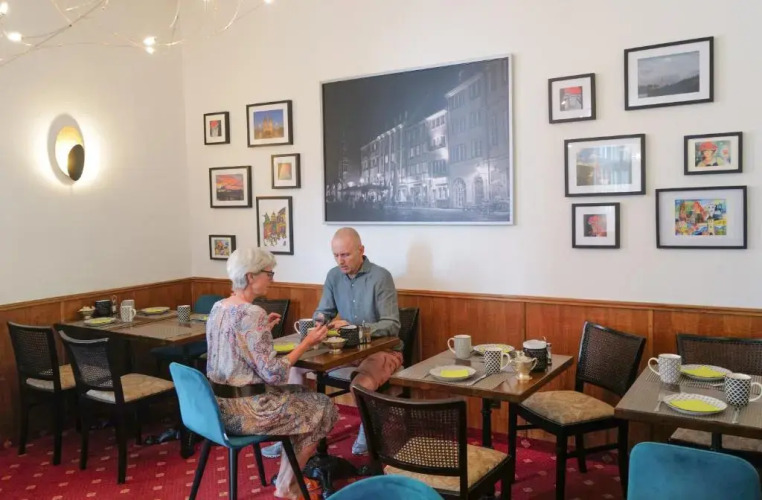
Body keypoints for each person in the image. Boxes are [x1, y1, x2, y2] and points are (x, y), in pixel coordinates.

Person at [205, 247, 337, 499]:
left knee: (303, 395)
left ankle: (291, 480)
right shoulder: (252, 313)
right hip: (248, 411)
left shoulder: (218, 307)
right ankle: (287, 485)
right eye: (269, 273)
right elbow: (274, 375)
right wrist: (306, 343)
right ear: (250, 276)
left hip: (217, 407)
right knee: (323, 406)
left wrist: (263, 330)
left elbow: (235, 347)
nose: (272, 279)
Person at [262, 228, 401, 458]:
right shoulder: (333, 276)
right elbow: (323, 311)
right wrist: (319, 322)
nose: (340, 261)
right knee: (294, 370)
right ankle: (293, 434)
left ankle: (369, 432)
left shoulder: (381, 277)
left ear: (361, 250)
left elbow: (392, 325)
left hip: (383, 351)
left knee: (360, 384)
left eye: (345, 255)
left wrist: (353, 328)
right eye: (336, 255)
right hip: (345, 350)